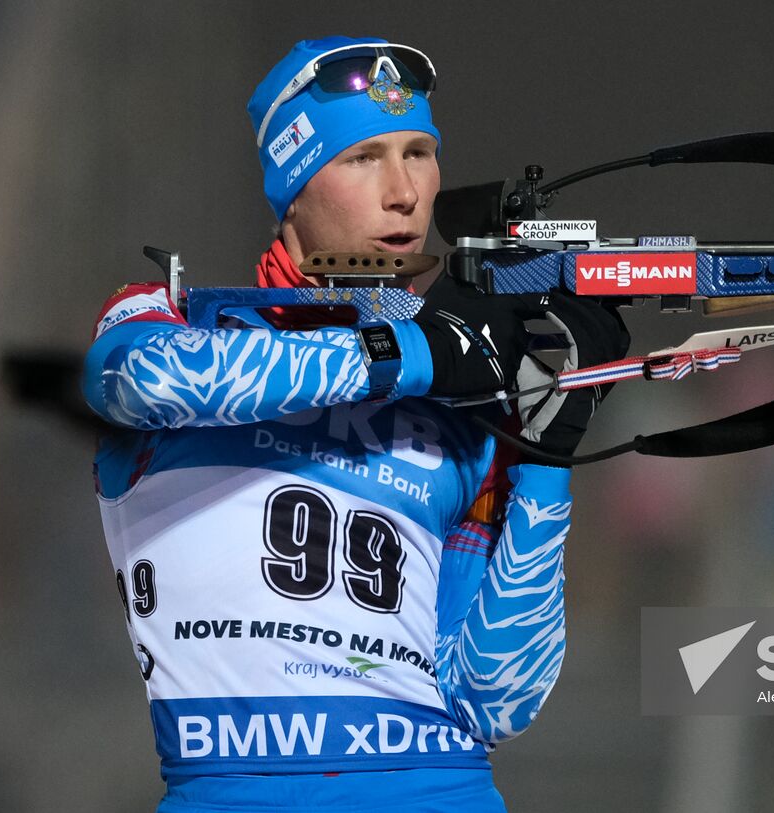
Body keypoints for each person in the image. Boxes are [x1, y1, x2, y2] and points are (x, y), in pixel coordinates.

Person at [82, 36, 628, 812]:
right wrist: (414, 350)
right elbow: (141, 378)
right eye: (364, 157)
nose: (405, 191)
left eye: (420, 152)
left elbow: (497, 699)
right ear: (294, 185)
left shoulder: (467, 389)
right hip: (228, 790)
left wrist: (546, 457)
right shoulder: (171, 320)